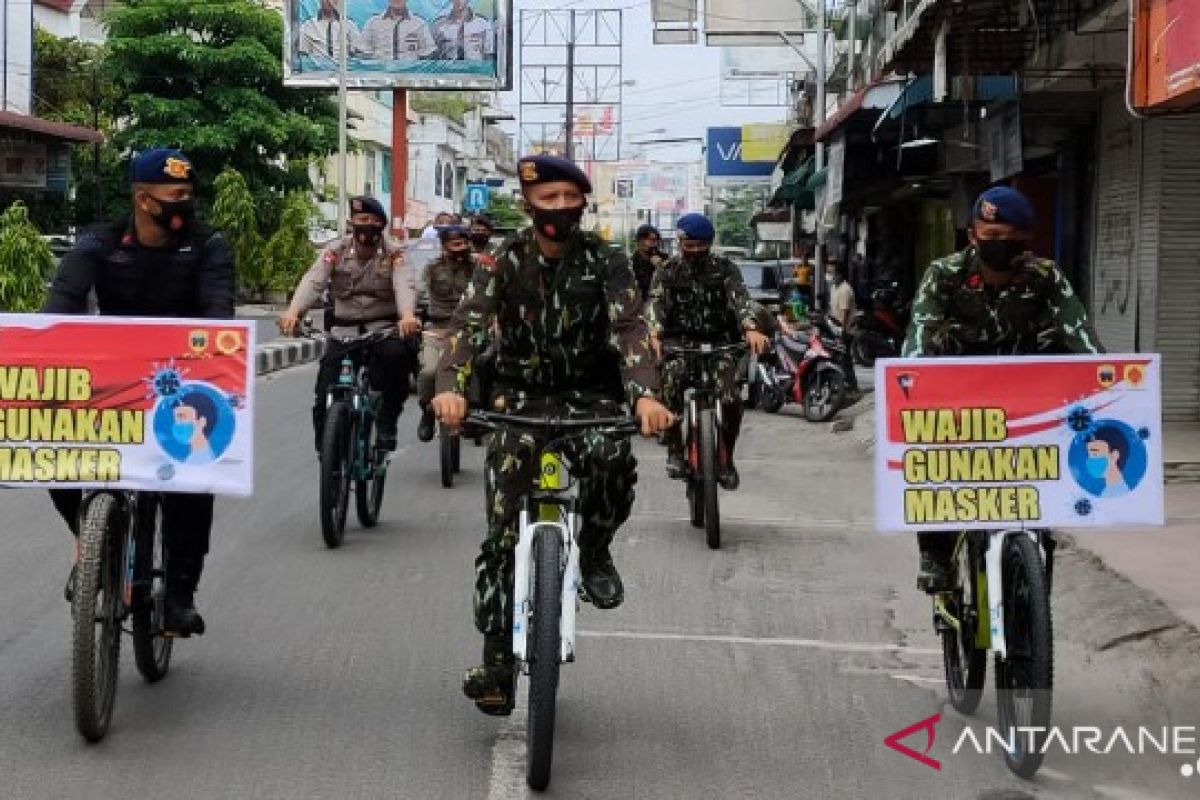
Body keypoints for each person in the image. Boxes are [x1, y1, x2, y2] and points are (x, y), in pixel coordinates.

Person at [431, 154, 673, 715]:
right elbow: (468, 325)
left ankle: (594, 550)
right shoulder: (502, 259)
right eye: (549, 199)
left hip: (590, 399)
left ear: (582, 204)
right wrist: (453, 387)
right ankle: (494, 664)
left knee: (613, 460)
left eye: (571, 199)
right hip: (517, 400)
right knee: (498, 537)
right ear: (529, 205)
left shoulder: (608, 259)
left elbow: (629, 325)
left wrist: (645, 394)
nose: (560, 209)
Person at [43, 147, 234, 637]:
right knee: (51, 454)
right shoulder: (100, 243)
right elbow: (61, 303)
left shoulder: (208, 243)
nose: (183, 205)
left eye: (188, 195)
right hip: (114, 374)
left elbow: (218, 313)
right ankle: (95, 542)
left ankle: (179, 593)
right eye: (174, 196)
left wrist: (214, 356)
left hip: (181, 379)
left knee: (194, 475)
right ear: (143, 199)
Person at [902, 185, 1102, 592]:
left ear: (1025, 239)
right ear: (972, 235)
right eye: (989, 236)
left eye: (1008, 237)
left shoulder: (1046, 278)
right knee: (939, 469)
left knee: (1042, 476)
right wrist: (914, 382)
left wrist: (1107, 381)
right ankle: (936, 554)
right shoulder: (944, 275)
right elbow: (918, 338)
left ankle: (1030, 564)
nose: (998, 245)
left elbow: (1081, 337)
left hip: (1028, 399)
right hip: (958, 398)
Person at [279, 196, 420, 452]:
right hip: (343, 332)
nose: (366, 225)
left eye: (373, 220)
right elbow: (314, 280)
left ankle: (387, 421)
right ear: (351, 223)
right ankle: (327, 453)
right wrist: (293, 310)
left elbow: (404, 284)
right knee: (324, 393)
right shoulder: (335, 251)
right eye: (361, 220)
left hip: (382, 331)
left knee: (398, 360)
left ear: (382, 224)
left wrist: (407, 315)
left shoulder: (394, 254)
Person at [647, 213, 769, 490]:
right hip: (680, 345)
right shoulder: (667, 270)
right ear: (680, 243)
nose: (695, 252)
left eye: (701, 246)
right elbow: (655, 302)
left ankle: (726, 458)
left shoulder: (726, 269)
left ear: (710, 244)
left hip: (720, 345)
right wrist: (654, 332)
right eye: (689, 246)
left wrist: (750, 328)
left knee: (730, 399)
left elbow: (740, 299)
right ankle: (675, 451)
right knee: (670, 385)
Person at [416, 225, 478, 443]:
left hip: (470, 330)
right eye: (455, 245)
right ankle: (427, 411)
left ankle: (476, 414)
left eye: (464, 244)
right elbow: (419, 292)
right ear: (444, 247)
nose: (460, 249)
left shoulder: (478, 266)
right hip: (438, 329)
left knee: (482, 368)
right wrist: (414, 315)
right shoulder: (432, 268)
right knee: (429, 371)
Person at [360, 0, 436, 62]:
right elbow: (363, 52)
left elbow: (428, 52)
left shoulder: (419, 23)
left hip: (410, 73)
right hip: (380, 73)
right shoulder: (372, 22)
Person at [825, 260, 860, 394]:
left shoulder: (845, 289)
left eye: (831, 272)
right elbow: (832, 309)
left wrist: (842, 332)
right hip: (835, 328)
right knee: (837, 357)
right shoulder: (834, 288)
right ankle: (841, 383)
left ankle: (852, 385)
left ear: (839, 274)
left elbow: (845, 314)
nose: (829, 275)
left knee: (844, 359)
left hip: (845, 329)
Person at [298, 0, 363, 64]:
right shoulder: (308, 25)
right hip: (317, 70)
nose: (329, 1)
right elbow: (303, 53)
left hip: (344, 69)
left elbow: (358, 51)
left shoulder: (348, 24)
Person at [630, 223, 665, 302]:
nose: (654, 244)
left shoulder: (664, 259)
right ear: (639, 241)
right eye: (651, 240)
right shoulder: (631, 264)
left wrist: (660, 267)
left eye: (656, 240)